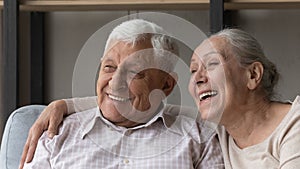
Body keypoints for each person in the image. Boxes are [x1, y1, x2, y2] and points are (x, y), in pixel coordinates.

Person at [20, 19, 224, 169]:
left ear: (166, 85)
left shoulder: (200, 140)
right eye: (109, 67)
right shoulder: (56, 134)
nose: (115, 83)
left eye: (134, 73)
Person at [188, 29, 300, 168]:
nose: (197, 79)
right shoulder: (218, 129)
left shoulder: (294, 125)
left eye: (212, 64)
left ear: (253, 75)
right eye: (193, 70)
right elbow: (160, 110)